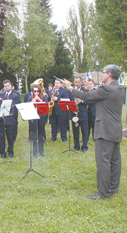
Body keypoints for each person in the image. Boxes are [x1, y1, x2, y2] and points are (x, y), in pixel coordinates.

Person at [63, 64, 125, 200]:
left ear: (109, 74)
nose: (101, 74)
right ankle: (113, 189)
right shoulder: (119, 88)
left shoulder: (106, 89)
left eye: (103, 72)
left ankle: (102, 193)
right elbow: (99, 96)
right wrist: (91, 88)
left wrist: (70, 87)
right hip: (115, 130)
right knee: (115, 161)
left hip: (104, 130)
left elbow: (87, 95)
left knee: (103, 161)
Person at [0, 79, 21, 158]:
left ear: (11, 86)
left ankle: (10, 151)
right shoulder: (1, 94)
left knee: (10, 136)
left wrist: (0, 99)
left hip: (10, 118)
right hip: (1, 118)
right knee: (1, 136)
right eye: (5, 86)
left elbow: (12, 104)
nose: (7, 87)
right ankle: (2, 152)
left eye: (8, 86)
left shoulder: (16, 94)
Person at [69, 76, 91, 152]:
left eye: (78, 82)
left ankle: (84, 146)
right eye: (75, 82)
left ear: (81, 82)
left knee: (84, 131)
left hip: (83, 113)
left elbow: (90, 101)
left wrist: (82, 101)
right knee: (75, 131)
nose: (77, 84)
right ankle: (76, 145)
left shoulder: (85, 90)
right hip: (74, 113)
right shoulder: (71, 91)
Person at [25, 84, 48, 157]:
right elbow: (28, 106)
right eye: (34, 91)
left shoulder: (43, 97)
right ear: (32, 91)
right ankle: (35, 153)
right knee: (34, 135)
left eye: (38, 91)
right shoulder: (30, 98)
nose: (36, 92)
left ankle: (41, 152)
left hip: (41, 117)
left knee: (40, 134)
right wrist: (33, 101)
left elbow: (46, 105)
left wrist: (40, 100)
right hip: (33, 117)